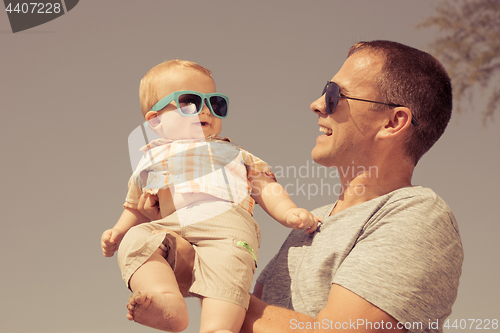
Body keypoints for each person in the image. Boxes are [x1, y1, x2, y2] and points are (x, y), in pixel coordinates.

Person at [143, 41, 463, 333]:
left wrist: (205, 277)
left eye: (336, 95)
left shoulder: (415, 215)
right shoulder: (308, 226)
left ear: (393, 122)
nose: (317, 104)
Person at [100, 59, 320, 333]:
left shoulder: (232, 153)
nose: (205, 110)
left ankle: (218, 328)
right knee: (137, 240)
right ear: (155, 120)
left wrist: (288, 211)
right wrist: (119, 231)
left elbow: (264, 185)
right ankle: (166, 301)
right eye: (189, 102)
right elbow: (135, 205)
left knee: (227, 269)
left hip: (225, 226)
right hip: (171, 227)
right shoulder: (150, 160)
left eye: (215, 103)